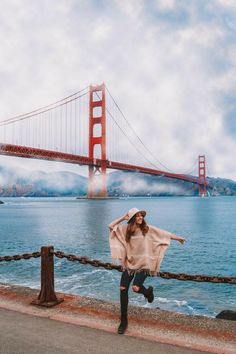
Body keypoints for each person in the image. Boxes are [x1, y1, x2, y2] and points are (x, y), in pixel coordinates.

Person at [108, 207, 186, 335]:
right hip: (130, 264)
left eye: (141, 216)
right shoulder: (126, 229)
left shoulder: (147, 229)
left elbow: (164, 234)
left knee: (136, 288)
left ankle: (148, 293)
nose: (140, 218)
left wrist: (178, 238)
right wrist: (123, 218)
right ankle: (123, 321)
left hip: (144, 264)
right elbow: (111, 226)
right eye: (137, 216)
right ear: (133, 218)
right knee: (122, 289)